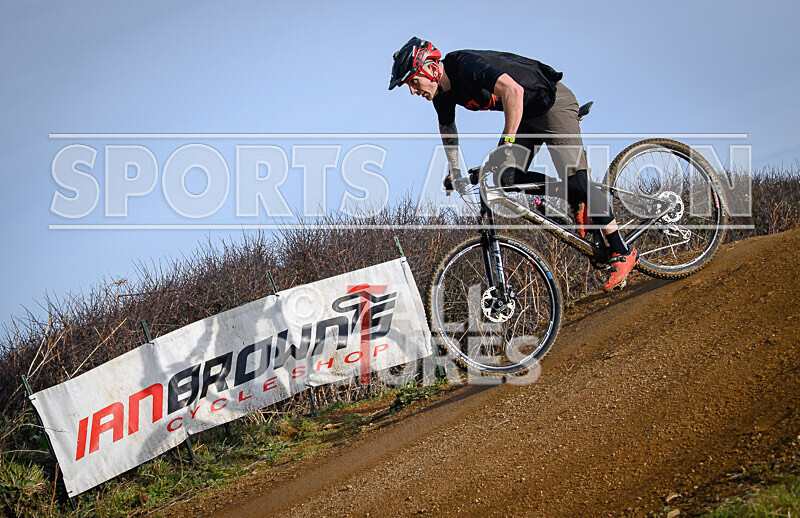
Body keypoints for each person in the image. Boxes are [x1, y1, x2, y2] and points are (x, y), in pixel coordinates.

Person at [388, 36, 637, 291]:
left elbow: (513, 91)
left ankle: (621, 249)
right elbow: (448, 129)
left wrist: (506, 143)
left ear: (430, 68)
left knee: (577, 180)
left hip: (551, 104)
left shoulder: (465, 65)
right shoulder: (442, 94)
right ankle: (578, 197)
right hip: (525, 115)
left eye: (413, 82)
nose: (412, 91)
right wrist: (455, 170)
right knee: (504, 177)